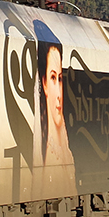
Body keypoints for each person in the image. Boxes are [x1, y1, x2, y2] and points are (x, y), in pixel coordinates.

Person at [38, 40, 74, 171]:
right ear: (44, 83)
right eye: (53, 78)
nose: (59, 94)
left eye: (60, 79)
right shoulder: (44, 159)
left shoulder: (67, 153)